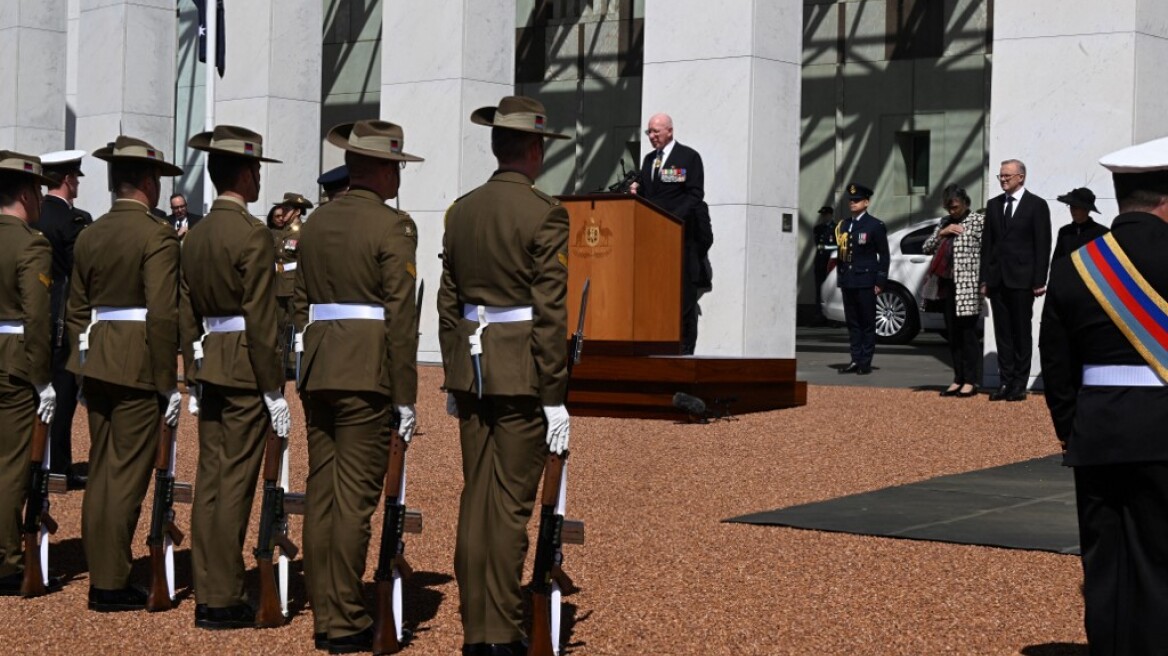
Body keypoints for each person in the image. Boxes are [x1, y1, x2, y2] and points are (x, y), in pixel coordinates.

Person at [438, 95, 571, 656]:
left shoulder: (461, 211)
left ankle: (477, 627)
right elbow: (550, 314)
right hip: (520, 375)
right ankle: (498, 632)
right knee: (511, 506)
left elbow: (447, 304)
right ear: (535, 149)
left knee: (477, 499)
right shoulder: (545, 213)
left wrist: (454, 374)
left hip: (473, 372)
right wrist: (554, 394)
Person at [292, 119, 420, 653]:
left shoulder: (316, 221)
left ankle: (326, 610)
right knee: (354, 500)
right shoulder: (394, 226)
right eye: (396, 166)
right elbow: (401, 319)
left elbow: (298, 301)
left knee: (322, 493)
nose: (399, 177)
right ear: (382, 170)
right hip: (366, 373)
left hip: (319, 365)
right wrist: (405, 396)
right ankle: (345, 617)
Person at [1039, 135, 1168, 653]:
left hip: (1096, 431)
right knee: (1160, 561)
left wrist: (1070, 428)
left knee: (1104, 561)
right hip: (1162, 431)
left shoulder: (1076, 263)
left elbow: (1055, 361)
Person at [179, 125, 291, 629]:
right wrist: (273, 387)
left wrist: (192, 373)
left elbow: (185, 312)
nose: (259, 178)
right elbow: (262, 319)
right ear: (244, 174)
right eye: (256, 170)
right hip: (245, 367)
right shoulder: (252, 234)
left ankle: (208, 587)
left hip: (211, 362)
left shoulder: (196, 234)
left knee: (211, 478)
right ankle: (223, 595)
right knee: (236, 483)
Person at [65, 135, 183, 611]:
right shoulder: (157, 235)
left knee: (102, 470)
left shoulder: (91, 233)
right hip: (137, 363)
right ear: (149, 183)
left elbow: (76, 311)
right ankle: (110, 582)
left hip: (98, 359)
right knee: (127, 475)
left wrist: (82, 364)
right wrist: (167, 382)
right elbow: (162, 314)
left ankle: (103, 570)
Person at [0, 151, 56, 596]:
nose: (40, 198)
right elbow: (37, 318)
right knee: (11, 466)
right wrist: (42, 379)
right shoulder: (31, 244)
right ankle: (6, 560)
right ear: (25, 193)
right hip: (14, 360)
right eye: (38, 190)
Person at [628, 112, 711, 354]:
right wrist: (636, 191)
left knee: (684, 298)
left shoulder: (688, 157)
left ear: (670, 131)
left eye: (656, 131)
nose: (652, 136)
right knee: (659, 294)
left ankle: (685, 349)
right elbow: (649, 195)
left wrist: (672, 219)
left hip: (682, 238)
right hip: (655, 239)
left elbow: (695, 194)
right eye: (649, 132)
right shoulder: (648, 160)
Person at [35, 150, 93, 489]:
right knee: (63, 394)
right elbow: (82, 269)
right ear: (69, 180)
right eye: (76, 179)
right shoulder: (74, 221)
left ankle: (32, 463)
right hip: (63, 317)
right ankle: (57, 466)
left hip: (33, 315)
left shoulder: (33, 214)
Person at [979, 158, 1051, 402]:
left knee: (1021, 332)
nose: (1003, 179)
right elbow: (987, 245)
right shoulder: (994, 205)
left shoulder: (1036, 205)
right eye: (1001, 176)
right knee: (1003, 333)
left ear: (1021, 177)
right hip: (997, 279)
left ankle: (1019, 383)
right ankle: (1005, 381)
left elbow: (1042, 244)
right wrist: (984, 279)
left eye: (1007, 176)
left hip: (1022, 280)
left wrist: (1039, 279)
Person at [922, 185, 985, 397]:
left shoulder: (977, 221)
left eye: (955, 207)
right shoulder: (944, 222)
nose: (952, 211)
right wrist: (942, 233)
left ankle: (971, 379)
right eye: (949, 207)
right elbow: (926, 247)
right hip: (946, 286)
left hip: (968, 286)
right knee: (953, 335)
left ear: (965, 203)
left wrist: (984, 281)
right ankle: (958, 378)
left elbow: (988, 252)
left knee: (968, 334)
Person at [835, 183, 889, 375]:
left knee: (867, 323)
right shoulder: (844, 225)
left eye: (857, 200)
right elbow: (842, 254)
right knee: (853, 323)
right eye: (851, 200)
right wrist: (841, 278)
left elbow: (884, 255)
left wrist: (880, 281)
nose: (853, 203)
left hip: (866, 280)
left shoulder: (875, 225)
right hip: (849, 280)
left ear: (866, 202)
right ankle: (855, 359)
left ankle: (865, 362)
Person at [269, 192, 312, 378]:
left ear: (297, 212)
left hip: (295, 285)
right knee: (279, 328)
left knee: (299, 327)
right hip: (278, 284)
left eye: (287, 209)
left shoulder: (303, 231)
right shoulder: (281, 232)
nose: (283, 212)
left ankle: (300, 365)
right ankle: (280, 366)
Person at [1052, 187, 1108, 261]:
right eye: (1071, 206)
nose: (1072, 210)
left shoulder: (1102, 233)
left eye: (1076, 207)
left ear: (1086, 209)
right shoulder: (1064, 232)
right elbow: (1057, 261)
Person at [812, 205, 838, 323]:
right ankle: (819, 316)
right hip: (820, 262)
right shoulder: (818, 228)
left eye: (825, 215)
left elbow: (838, 246)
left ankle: (833, 318)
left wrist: (826, 247)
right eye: (822, 215)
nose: (823, 217)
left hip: (831, 262)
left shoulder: (836, 228)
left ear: (830, 215)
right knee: (819, 289)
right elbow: (817, 244)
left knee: (831, 289)